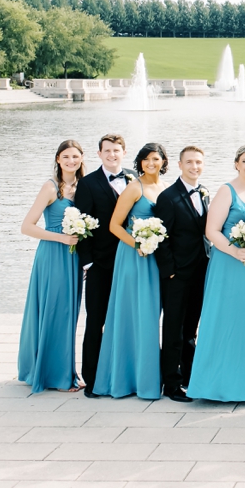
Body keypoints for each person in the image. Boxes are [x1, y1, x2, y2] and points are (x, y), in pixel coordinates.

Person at [187, 145, 245, 402]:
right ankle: (216, 385)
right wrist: (233, 250)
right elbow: (212, 230)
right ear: (236, 164)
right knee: (225, 319)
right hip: (230, 264)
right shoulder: (226, 191)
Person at [93, 143, 168, 400]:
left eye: (155, 159)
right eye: (146, 159)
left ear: (163, 162)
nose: (151, 163)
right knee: (132, 315)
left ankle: (148, 377)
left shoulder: (164, 188)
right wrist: (138, 244)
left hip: (156, 259)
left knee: (149, 315)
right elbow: (114, 225)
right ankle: (125, 379)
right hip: (134, 257)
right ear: (139, 162)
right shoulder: (134, 187)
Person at [17, 140, 86, 393]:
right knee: (54, 309)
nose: (71, 161)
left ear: (82, 158)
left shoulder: (84, 186)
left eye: (75, 156)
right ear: (58, 159)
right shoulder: (50, 187)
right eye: (66, 156)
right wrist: (61, 238)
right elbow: (27, 227)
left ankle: (66, 371)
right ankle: (54, 376)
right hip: (53, 254)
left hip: (74, 257)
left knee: (69, 313)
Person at [73, 133, 134, 398]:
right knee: (96, 320)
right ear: (99, 154)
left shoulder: (134, 178)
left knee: (127, 319)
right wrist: (87, 263)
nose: (112, 155)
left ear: (124, 152)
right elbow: (82, 224)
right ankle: (94, 378)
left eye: (116, 150)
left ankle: (125, 373)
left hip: (132, 262)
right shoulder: (88, 184)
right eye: (107, 151)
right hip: (100, 263)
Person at [153, 145, 210, 403]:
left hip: (201, 269)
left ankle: (189, 378)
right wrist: (170, 272)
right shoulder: (168, 197)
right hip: (177, 274)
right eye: (189, 162)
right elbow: (161, 238)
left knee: (190, 329)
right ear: (179, 164)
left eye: (198, 162)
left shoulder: (205, 193)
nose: (194, 166)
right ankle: (171, 384)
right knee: (174, 329)